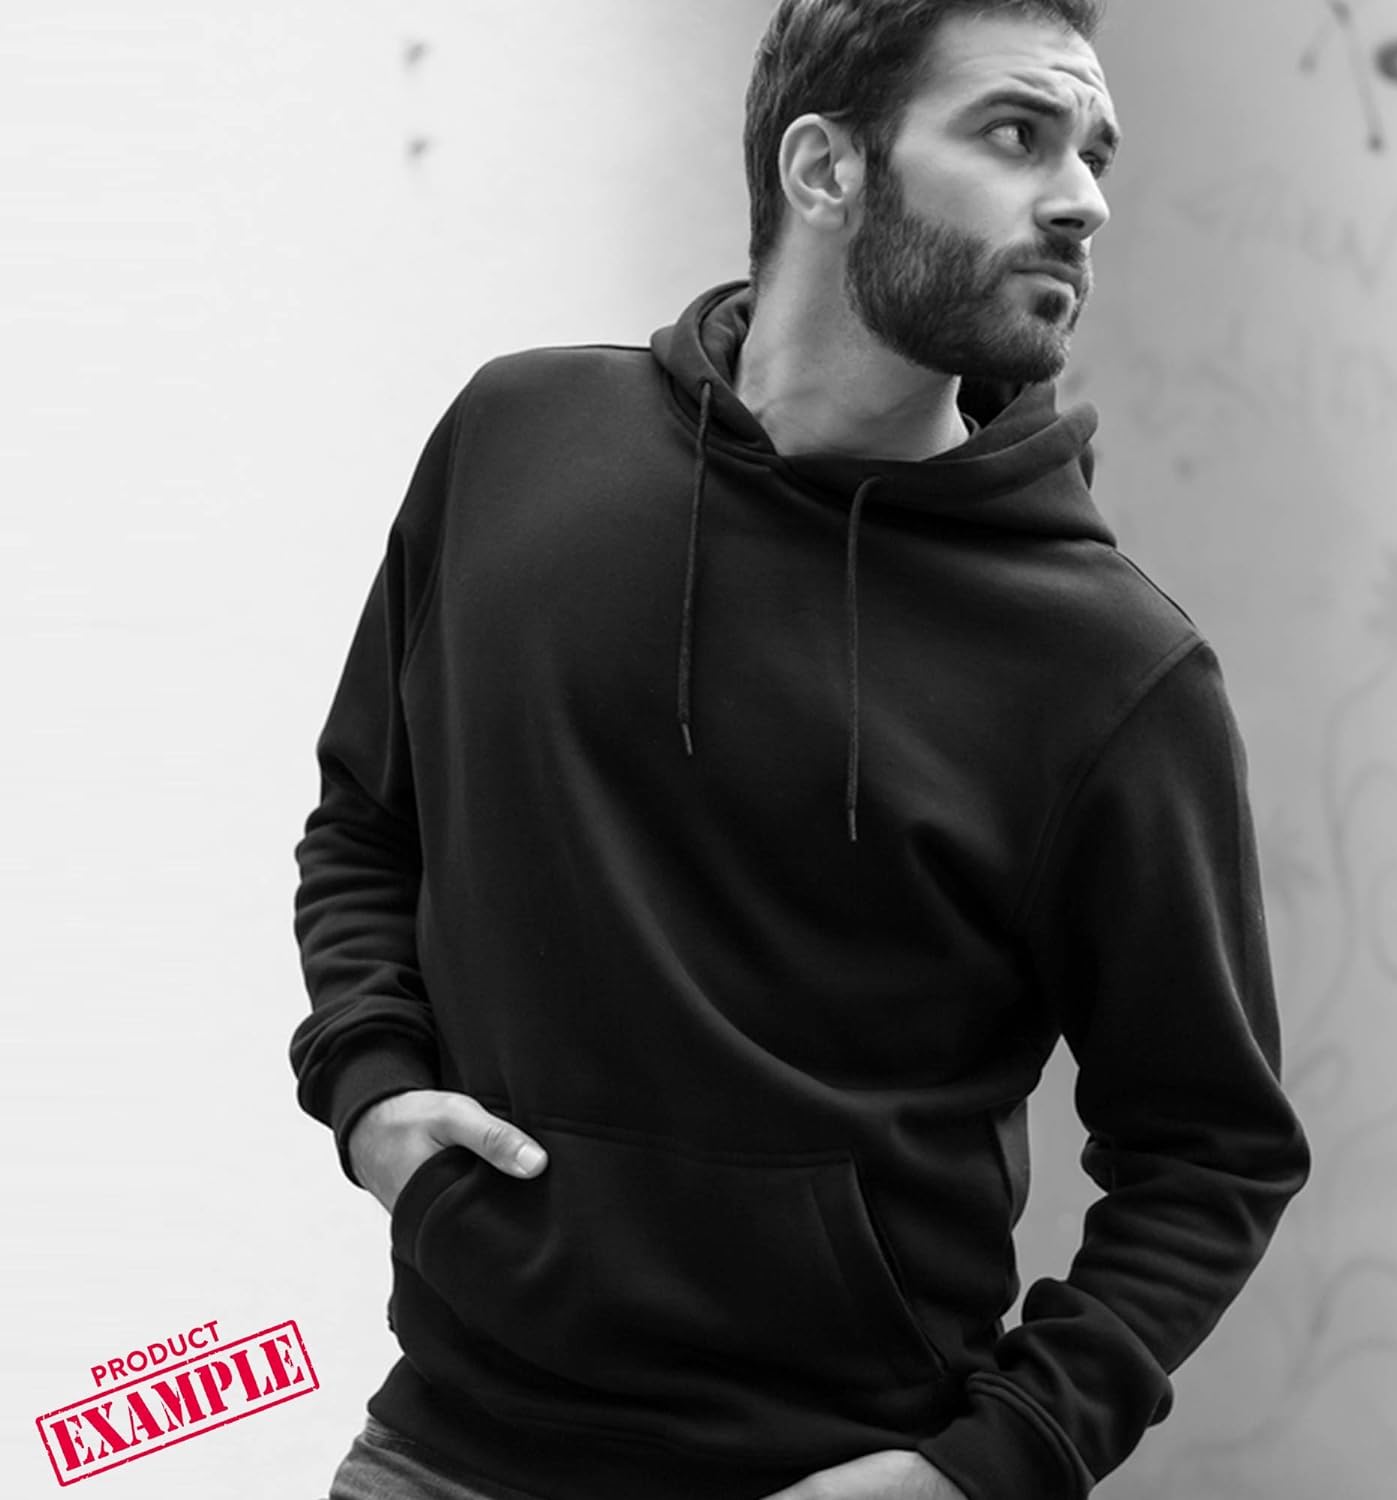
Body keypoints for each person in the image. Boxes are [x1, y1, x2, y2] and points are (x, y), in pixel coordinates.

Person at [290, 2, 1311, 1497]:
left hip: (828, 1471)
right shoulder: (518, 443)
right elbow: (370, 819)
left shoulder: (1110, 667)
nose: (1083, 199)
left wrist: (986, 1469)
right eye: (1017, 134)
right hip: (442, 1453)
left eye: (1093, 154)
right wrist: (371, 1087)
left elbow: (1214, 1152)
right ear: (825, 167)